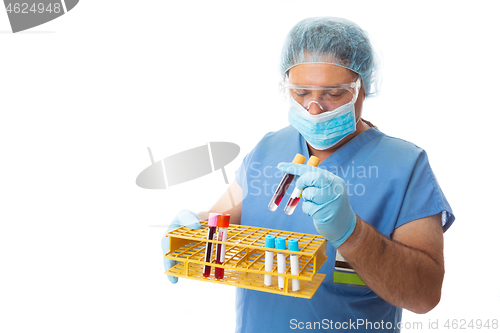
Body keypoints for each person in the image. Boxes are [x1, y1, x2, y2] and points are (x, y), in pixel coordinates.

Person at [162, 17, 454, 332]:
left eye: (334, 93)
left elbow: (424, 295)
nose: (314, 108)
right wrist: (193, 230)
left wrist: (352, 234)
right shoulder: (268, 147)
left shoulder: (405, 166)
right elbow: (225, 218)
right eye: (300, 92)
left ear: (363, 88)